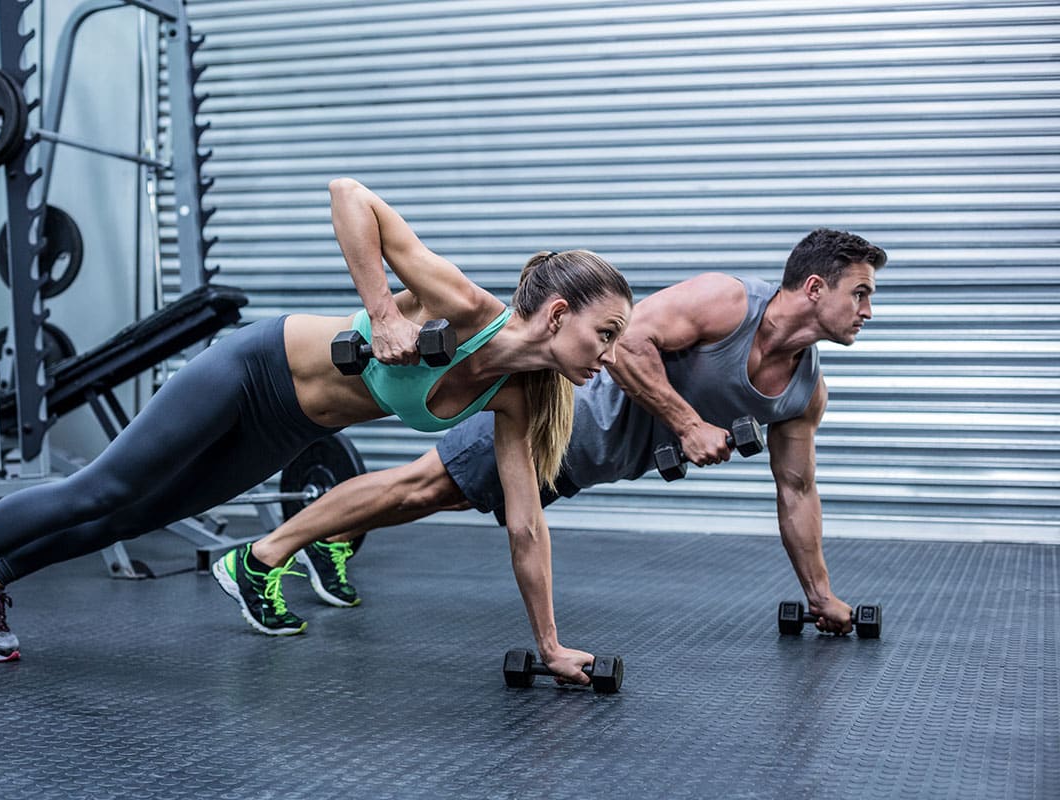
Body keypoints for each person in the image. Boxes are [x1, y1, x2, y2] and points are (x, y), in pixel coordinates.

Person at [0, 177, 633, 686]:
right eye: (606, 332)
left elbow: (527, 527)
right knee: (103, 487)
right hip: (251, 368)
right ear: (559, 315)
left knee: (139, 514)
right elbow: (349, 195)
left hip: (287, 426)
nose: (610, 354)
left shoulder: (518, 400)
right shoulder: (463, 305)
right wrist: (386, 310)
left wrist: (553, 643)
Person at [221, 228, 886, 636]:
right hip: (552, 420)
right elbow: (625, 345)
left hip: (581, 464)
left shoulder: (804, 391)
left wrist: (820, 594)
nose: (867, 309)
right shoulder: (726, 302)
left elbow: (797, 491)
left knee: (440, 493)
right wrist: (686, 422)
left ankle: (326, 540)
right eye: (859, 292)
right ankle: (263, 556)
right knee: (423, 484)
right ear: (813, 287)